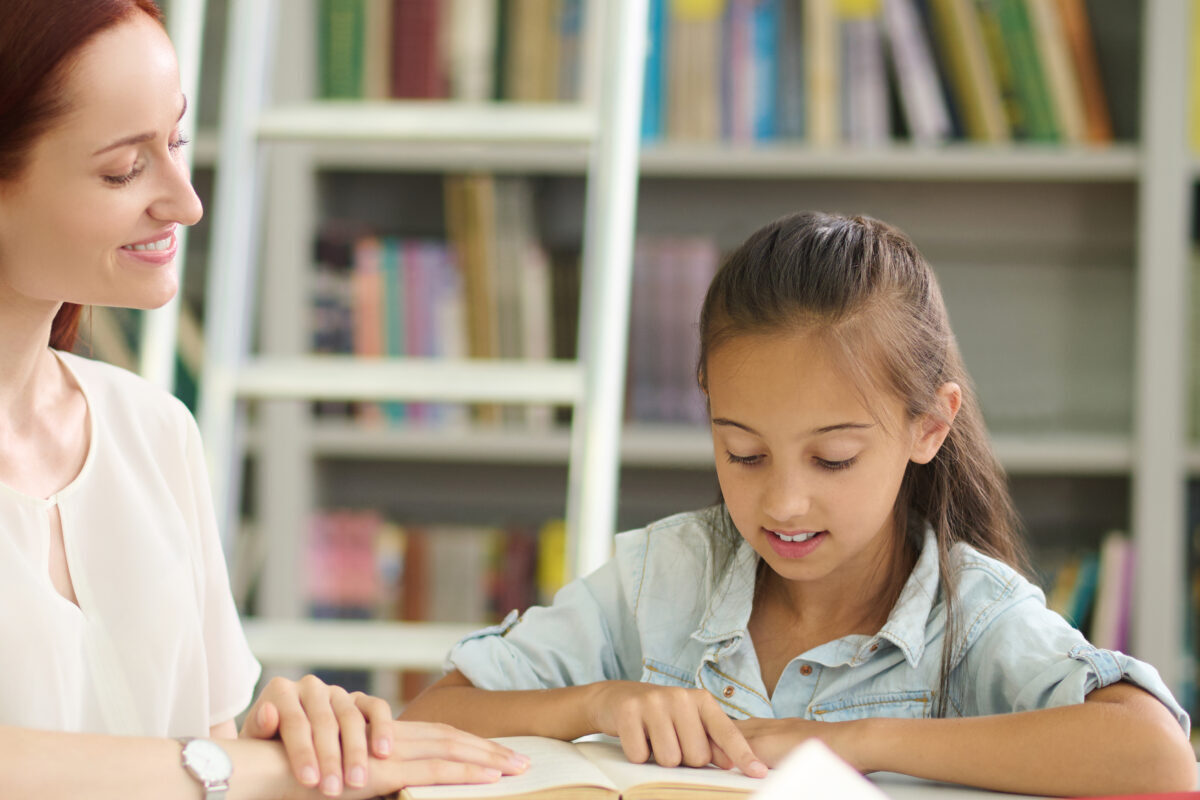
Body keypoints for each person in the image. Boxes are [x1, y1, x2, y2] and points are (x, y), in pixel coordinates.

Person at [401, 211, 1198, 796]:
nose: (782, 500)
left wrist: (855, 741)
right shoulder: (664, 578)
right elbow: (434, 716)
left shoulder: (967, 614)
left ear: (929, 426)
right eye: (743, 453)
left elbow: (1158, 760)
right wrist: (600, 700)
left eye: (834, 457)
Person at [0, 1, 528, 797]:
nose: (186, 201)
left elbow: (210, 767)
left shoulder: (154, 433)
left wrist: (281, 738)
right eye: (123, 168)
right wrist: (233, 766)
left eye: (175, 141)